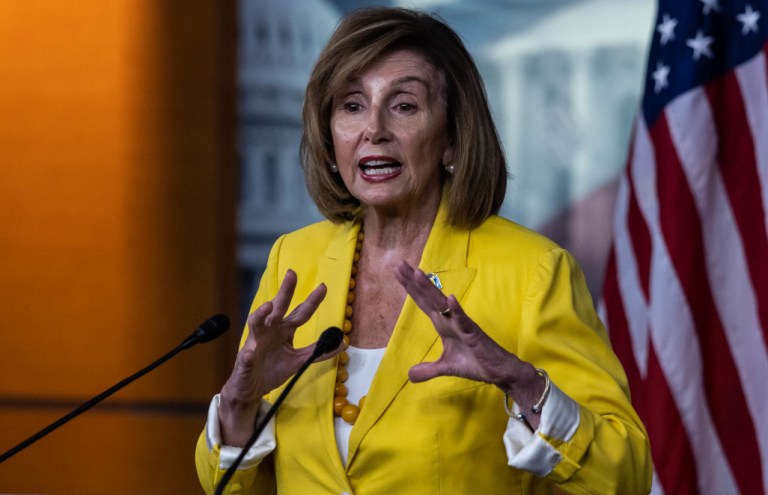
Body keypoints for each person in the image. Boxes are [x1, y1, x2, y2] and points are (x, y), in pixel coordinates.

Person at [196, 7, 652, 495]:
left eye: (404, 105)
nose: (374, 129)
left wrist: (525, 385)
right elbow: (226, 484)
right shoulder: (295, 260)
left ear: (453, 137)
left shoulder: (532, 271)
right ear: (331, 140)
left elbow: (626, 475)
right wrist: (239, 404)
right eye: (351, 106)